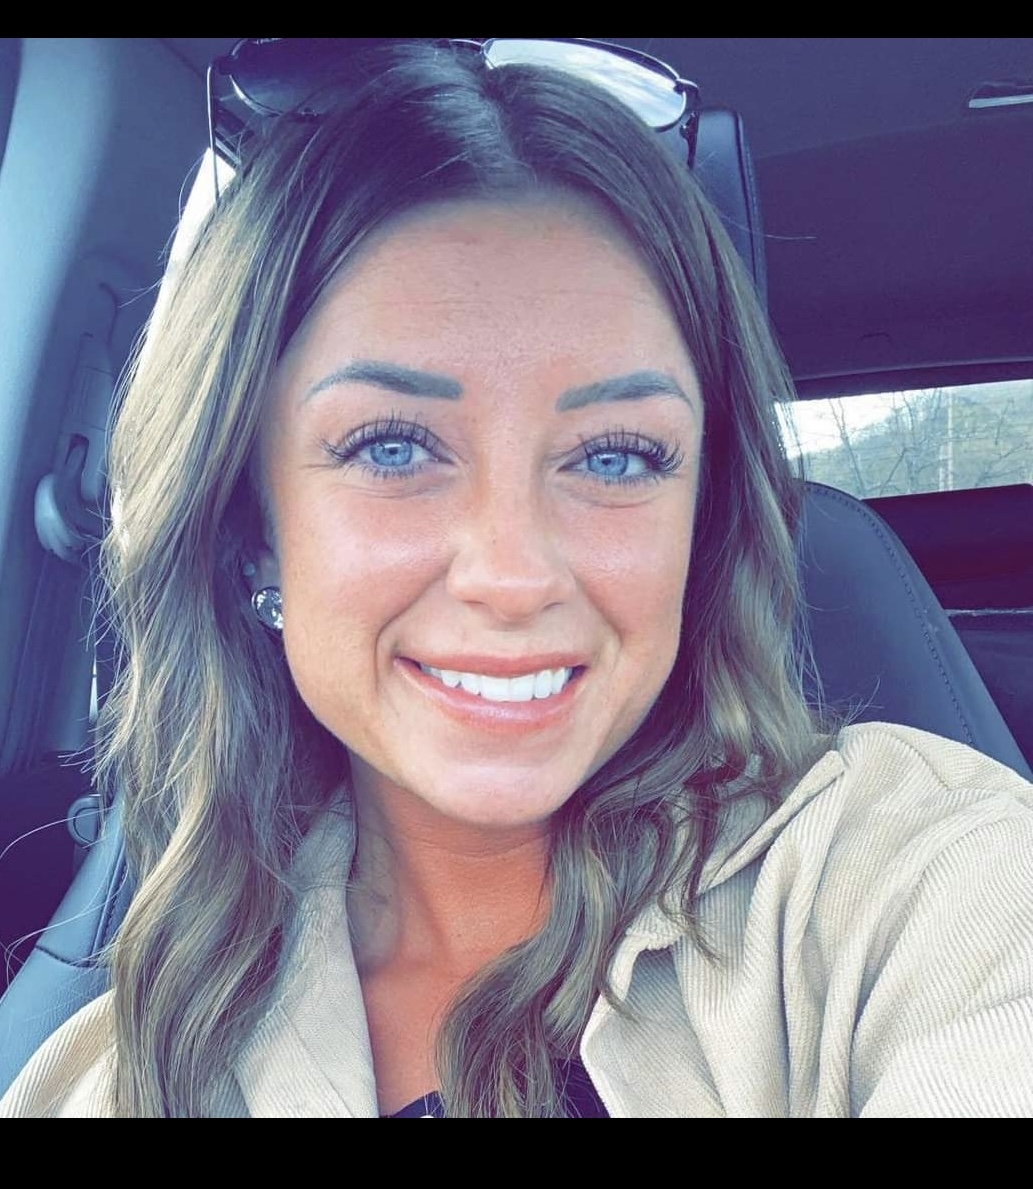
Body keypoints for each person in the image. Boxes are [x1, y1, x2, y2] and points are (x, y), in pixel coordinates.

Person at [2, 39, 1032, 1118]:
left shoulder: (914, 879)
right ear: (251, 533)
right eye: (392, 447)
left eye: (616, 457)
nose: (511, 574)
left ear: (702, 520)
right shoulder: (127, 1067)